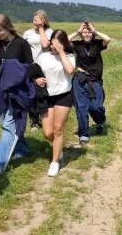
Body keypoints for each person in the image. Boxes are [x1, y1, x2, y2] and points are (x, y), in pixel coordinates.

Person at [0, 14, 34, 175]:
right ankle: (23, 148)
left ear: (8, 27)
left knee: (9, 124)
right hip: (0, 89)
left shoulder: (21, 43)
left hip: (16, 90)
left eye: (0, 30)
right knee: (3, 120)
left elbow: (30, 66)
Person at [34, 29, 76, 177]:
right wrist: (36, 80)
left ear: (64, 44)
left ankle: (55, 162)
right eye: (52, 43)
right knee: (48, 133)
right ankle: (59, 147)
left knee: (58, 129)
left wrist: (62, 52)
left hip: (64, 96)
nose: (54, 46)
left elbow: (70, 70)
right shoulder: (43, 57)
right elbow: (34, 72)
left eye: (58, 44)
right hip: (47, 96)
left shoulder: (69, 56)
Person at [68, 21, 112, 146]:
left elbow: (108, 39)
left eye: (89, 32)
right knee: (81, 107)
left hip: (95, 80)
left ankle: (101, 121)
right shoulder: (77, 45)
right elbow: (63, 41)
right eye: (84, 32)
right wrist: (77, 31)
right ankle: (84, 135)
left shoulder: (97, 44)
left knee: (96, 107)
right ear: (81, 34)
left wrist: (95, 31)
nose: (86, 34)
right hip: (80, 79)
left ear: (92, 33)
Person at [23, 10, 54, 132]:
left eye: (38, 19)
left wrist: (41, 28)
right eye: (34, 19)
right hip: (32, 64)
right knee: (32, 91)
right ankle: (34, 121)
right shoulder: (27, 33)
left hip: (46, 65)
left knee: (45, 91)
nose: (35, 22)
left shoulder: (49, 32)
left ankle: (46, 117)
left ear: (44, 21)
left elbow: (45, 44)